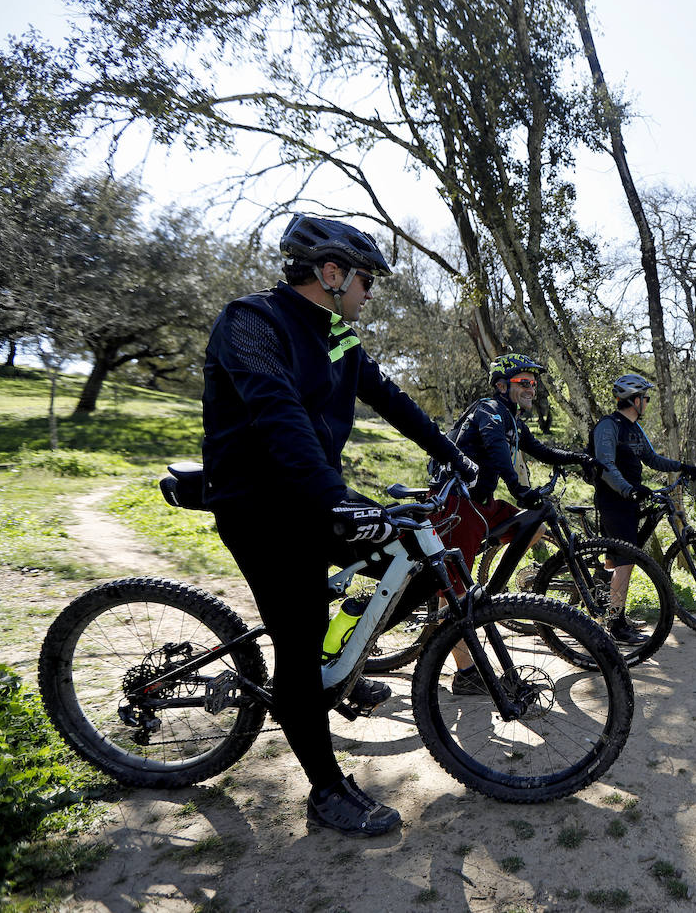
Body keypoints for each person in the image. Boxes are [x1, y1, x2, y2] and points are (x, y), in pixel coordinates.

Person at [203, 213, 478, 837]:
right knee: (296, 646)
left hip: (312, 495)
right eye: (365, 280)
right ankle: (326, 792)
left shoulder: (338, 334)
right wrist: (335, 500)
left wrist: (451, 450)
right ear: (331, 273)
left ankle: (338, 665)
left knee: (413, 564)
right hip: (260, 504)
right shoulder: (251, 322)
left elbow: (389, 397)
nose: (369, 292)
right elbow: (278, 417)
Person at [430, 353, 594, 688]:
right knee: (455, 596)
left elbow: (540, 449)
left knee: (535, 525)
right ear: (502, 385)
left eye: (534, 383)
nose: (532, 388)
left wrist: (579, 458)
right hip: (458, 506)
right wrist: (520, 488)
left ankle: (491, 592)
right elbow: (495, 449)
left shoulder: (513, 419)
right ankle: (465, 675)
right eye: (524, 382)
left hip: (482, 504)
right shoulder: (489, 410)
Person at [588, 374, 696, 644]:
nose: (648, 402)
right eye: (646, 398)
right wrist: (629, 489)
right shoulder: (609, 426)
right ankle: (614, 626)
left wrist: (680, 466)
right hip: (613, 501)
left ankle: (608, 609)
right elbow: (605, 465)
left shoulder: (635, 428)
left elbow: (651, 459)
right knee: (626, 562)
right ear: (634, 399)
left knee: (615, 560)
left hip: (628, 501)